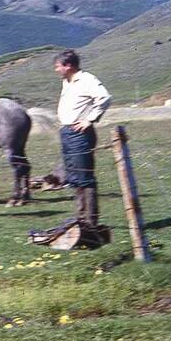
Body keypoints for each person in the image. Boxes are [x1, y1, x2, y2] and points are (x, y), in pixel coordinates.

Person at [53, 49, 111, 227]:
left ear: (68, 66)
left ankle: (91, 220)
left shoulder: (87, 80)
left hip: (80, 134)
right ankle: (80, 217)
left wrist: (89, 119)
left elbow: (105, 98)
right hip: (67, 132)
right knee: (74, 177)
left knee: (85, 176)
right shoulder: (67, 82)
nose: (56, 70)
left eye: (58, 66)